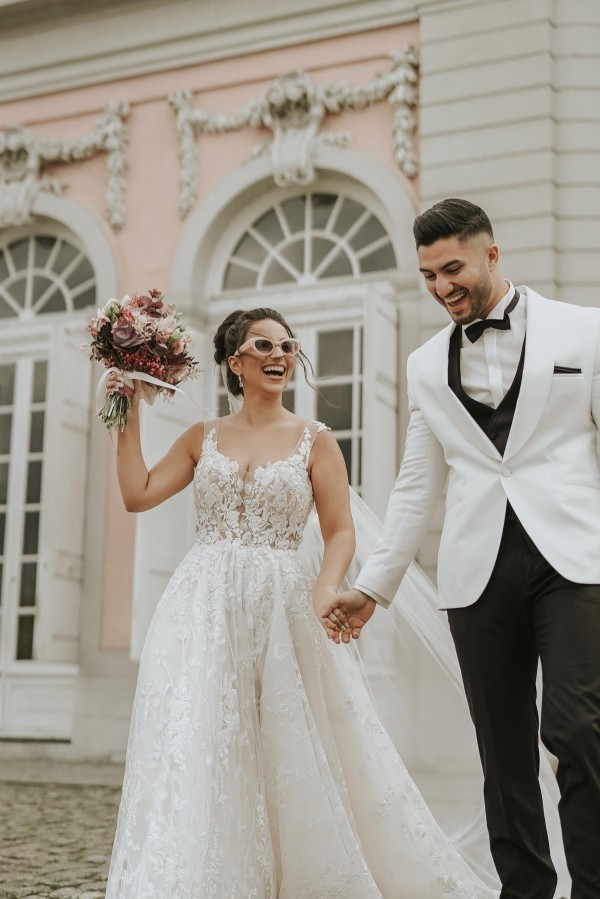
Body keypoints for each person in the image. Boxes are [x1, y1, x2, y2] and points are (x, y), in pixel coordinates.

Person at [104, 306, 503, 898]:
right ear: (235, 362)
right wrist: (127, 409)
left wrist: (325, 585)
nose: (279, 356)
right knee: (210, 735)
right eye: (263, 346)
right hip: (202, 606)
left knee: (288, 738)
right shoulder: (201, 437)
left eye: (287, 347)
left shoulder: (315, 439)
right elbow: (137, 495)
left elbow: (341, 528)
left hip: (282, 603)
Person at [331, 198, 600, 899]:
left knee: (578, 727)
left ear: (491, 254)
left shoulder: (585, 331)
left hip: (575, 562)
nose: (443, 286)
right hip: (476, 572)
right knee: (502, 747)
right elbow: (417, 485)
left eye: (453, 268)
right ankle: (526, 890)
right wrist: (373, 585)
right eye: (427, 275)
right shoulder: (425, 366)